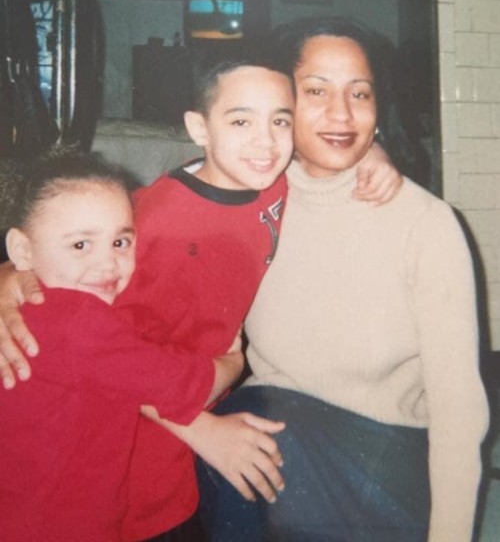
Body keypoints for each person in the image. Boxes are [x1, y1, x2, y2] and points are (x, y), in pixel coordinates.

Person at [0, 44, 401, 541]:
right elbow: (117, 361)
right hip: (139, 447)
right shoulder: (155, 226)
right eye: (240, 123)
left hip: (203, 404)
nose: (265, 142)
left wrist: (373, 155)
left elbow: (331, 152)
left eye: (280, 121)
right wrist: (204, 431)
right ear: (199, 129)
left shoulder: (271, 180)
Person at [195, 17, 490, 542]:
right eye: (316, 91)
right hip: (279, 431)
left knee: (263, 444)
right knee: (228, 440)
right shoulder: (245, 197)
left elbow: (460, 411)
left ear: (378, 111)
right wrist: (12, 279)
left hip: (388, 458)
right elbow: (112, 239)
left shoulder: (425, 223)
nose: (341, 113)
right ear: (282, 104)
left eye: (360, 92)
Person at [0, 148, 243, 541]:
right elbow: (183, 386)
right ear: (22, 250)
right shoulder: (76, 320)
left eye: (121, 242)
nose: (108, 264)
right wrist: (232, 361)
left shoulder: (42, 310)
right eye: (81, 245)